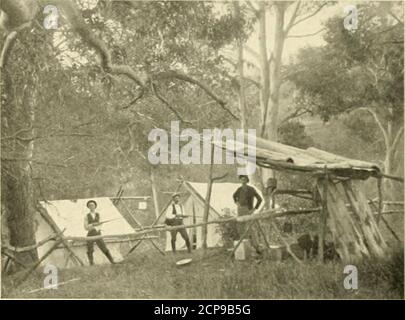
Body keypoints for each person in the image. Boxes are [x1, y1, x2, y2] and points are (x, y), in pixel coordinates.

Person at [232, 175, 263, 253]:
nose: (243, 181)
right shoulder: (239, 189)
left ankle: (256, 247)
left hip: (248, 210)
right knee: (240, 229)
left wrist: (254, 209)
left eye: (244, 179)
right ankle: (243, 249)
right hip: (240, 210)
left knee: (250, 228)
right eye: (241, 179)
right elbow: (234, 196)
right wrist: (237, 203)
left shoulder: (251, 189)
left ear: (247, 180)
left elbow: (260, 199)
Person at [84, 200, 115, 265]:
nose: (91, 206)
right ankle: (91, 264)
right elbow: (85, 227)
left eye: (92, 205)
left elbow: (100, 224)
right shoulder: (86, 216)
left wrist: (95, 227)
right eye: (90, 205)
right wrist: (92, 225)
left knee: (104, 247)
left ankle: (112, 261)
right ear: (88, 207)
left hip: (98, 233)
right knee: (90, 249)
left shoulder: (99, 214)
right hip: (90, 234)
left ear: (95, 206)